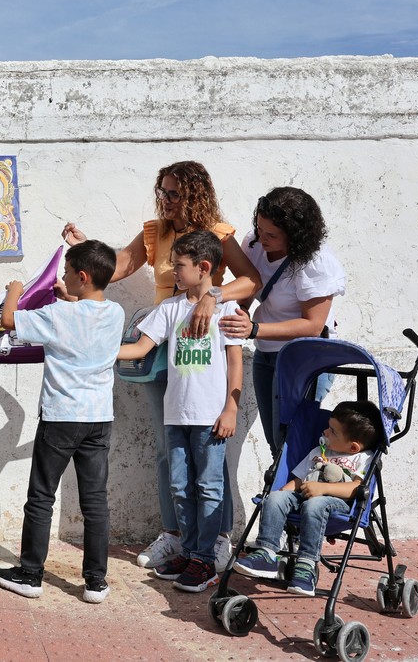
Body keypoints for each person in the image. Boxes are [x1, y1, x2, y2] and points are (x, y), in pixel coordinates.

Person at [63, 161, 261, 573]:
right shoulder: (155, 231)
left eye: (174, 193)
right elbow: (120, 266)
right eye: (163, 192)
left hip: (204, 346)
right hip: (160, 346)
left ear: (195, 194)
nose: (166, 200)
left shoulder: (218, 236)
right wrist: (87, 248)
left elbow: (251, 280)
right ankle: (175, 537)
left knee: (210, 452)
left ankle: (217, 539)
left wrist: (214, 296)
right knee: (167, 449)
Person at [0, 240, 125, 603]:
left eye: (67, 273)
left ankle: (31, 573)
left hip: (61, 417)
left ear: (82, 277)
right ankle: (96, 581)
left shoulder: (56, 315)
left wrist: (15, 291)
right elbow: (84, 318)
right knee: (95, 502)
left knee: (41, 496)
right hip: (98, 418)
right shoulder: (115, 313)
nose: (63, 278)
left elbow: (8, 320)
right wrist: (69, 296)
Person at [116, 231, 243, 592]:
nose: (173, 271)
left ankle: (205, 558)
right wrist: (99, 351)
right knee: (180, 487)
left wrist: (230, 407)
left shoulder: (228, 310)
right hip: (176, 415)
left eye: (180, 266)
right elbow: (141, 348)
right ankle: (189, 551)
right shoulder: (170, 309)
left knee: (209, 486)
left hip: (211, 419)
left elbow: (236, 363)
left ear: (204, 268)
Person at [219, 187, 346, 458]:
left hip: (304, 360)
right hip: (266, 354)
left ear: (295, 236)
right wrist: (237, 313)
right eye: (259, 228)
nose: (262, 238)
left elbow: (313, 325)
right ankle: (284, 496)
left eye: (272, 235)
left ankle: (303, 496)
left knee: (295, 442)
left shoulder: (316, 262)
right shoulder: (253, 243)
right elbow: (248, 289)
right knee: (277, 443)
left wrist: (254, 329)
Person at [233, 401, 382, 596]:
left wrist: (324, 488)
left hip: (339, 506)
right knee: (276, 497)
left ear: (353, 447)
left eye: (333, 431)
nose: (325, 432)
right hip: (304, 497)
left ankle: (307, 565)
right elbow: (298, 480)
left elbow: (357, 488)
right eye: (328, 427)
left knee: (315, 503)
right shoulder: (317, 453)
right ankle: (267, 553)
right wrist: (280, 495)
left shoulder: (362, 458)